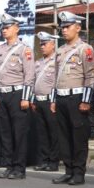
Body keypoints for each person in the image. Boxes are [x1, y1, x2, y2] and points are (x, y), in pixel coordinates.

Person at [0, 14, 35, 180]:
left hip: (17, 94)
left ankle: (19, 168)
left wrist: (26, 98)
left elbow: (29, 75)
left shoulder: (24, 49)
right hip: (2, 94)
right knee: (5, 133)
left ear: (16, 28)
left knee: (19, 133)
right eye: (3, 28)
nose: (4, 30)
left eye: (7, 27)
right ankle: (9, 165)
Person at [51, 11, 94, 186]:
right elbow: (56, 77)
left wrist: (86, 100)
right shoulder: (60, 50)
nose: (64, 30)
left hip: (77, 97)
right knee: (63, 136)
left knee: (78, 136)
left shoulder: (85, 49)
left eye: (67, 27)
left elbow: (89, 76)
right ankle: (68, 170)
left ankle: (79, 172)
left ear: (77, 28)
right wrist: (54, 100)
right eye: (62, 27)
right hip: (62, 98)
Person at [31, 31, 60, 172]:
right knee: (42, 133)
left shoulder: (57, 61)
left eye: (45, 44)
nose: (42, 47)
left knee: (53, 133)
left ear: (53, 45)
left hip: (50, 101)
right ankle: (43, 160)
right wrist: (33, 99)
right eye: (41, 44)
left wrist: (54, 101)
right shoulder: (38, 62)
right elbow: (33, 82)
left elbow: (57, 83)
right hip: (39, 100)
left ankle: (53, 162)